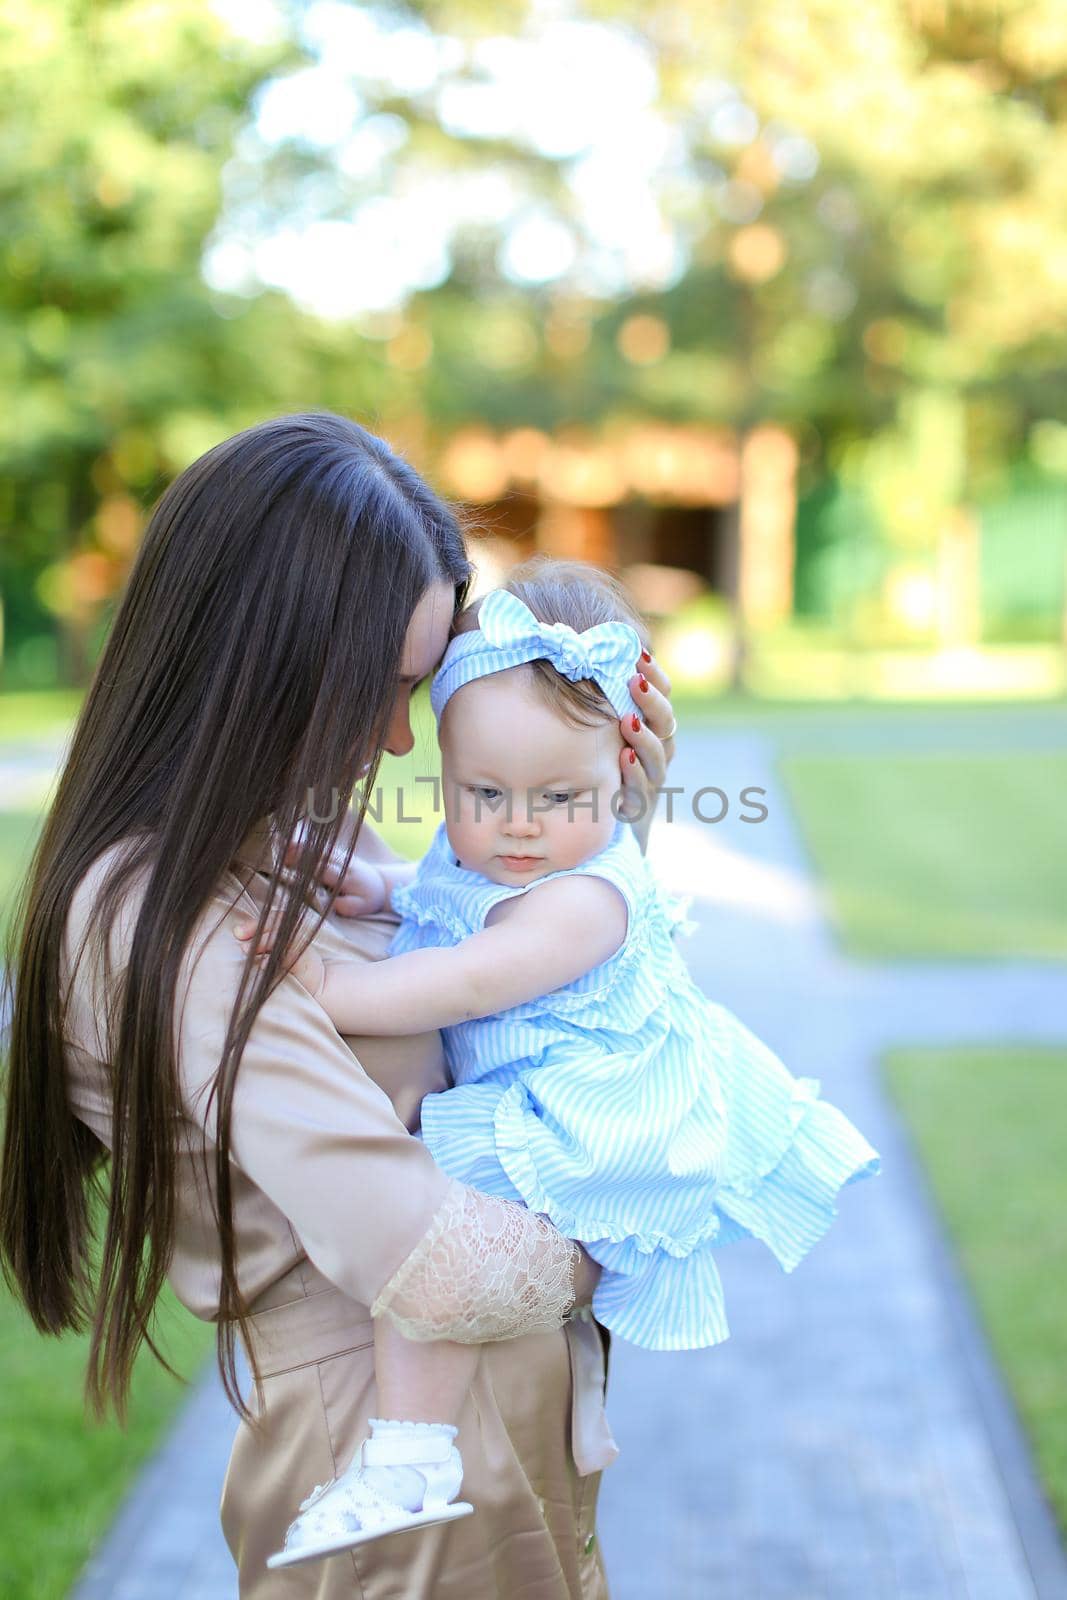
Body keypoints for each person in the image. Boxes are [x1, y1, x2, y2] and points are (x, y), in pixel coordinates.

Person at [0, 415, 677, 1599]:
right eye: (385, 685)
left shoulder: (302, 835)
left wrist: (610, 843)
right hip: (391, 1472)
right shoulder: (156, 918)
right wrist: (641, 1218)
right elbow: (432, 1262)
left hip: (502, 1437)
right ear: (266, 659)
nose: (396, 734)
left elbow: (508, 992)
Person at [237, 558, 882, 1570]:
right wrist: (370, 884)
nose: (520, 826)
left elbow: (456, 979)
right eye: (481, 792)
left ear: (622, 776)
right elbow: (448, 892)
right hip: (540, 1092)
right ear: (444, 774)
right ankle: (472, 1433)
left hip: (587, 1119)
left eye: (559, 795)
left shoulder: (587, 899)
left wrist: (315, 977)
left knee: (438, 1231)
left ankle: (411, 1452)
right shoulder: (500, 848)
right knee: (442, 1238)